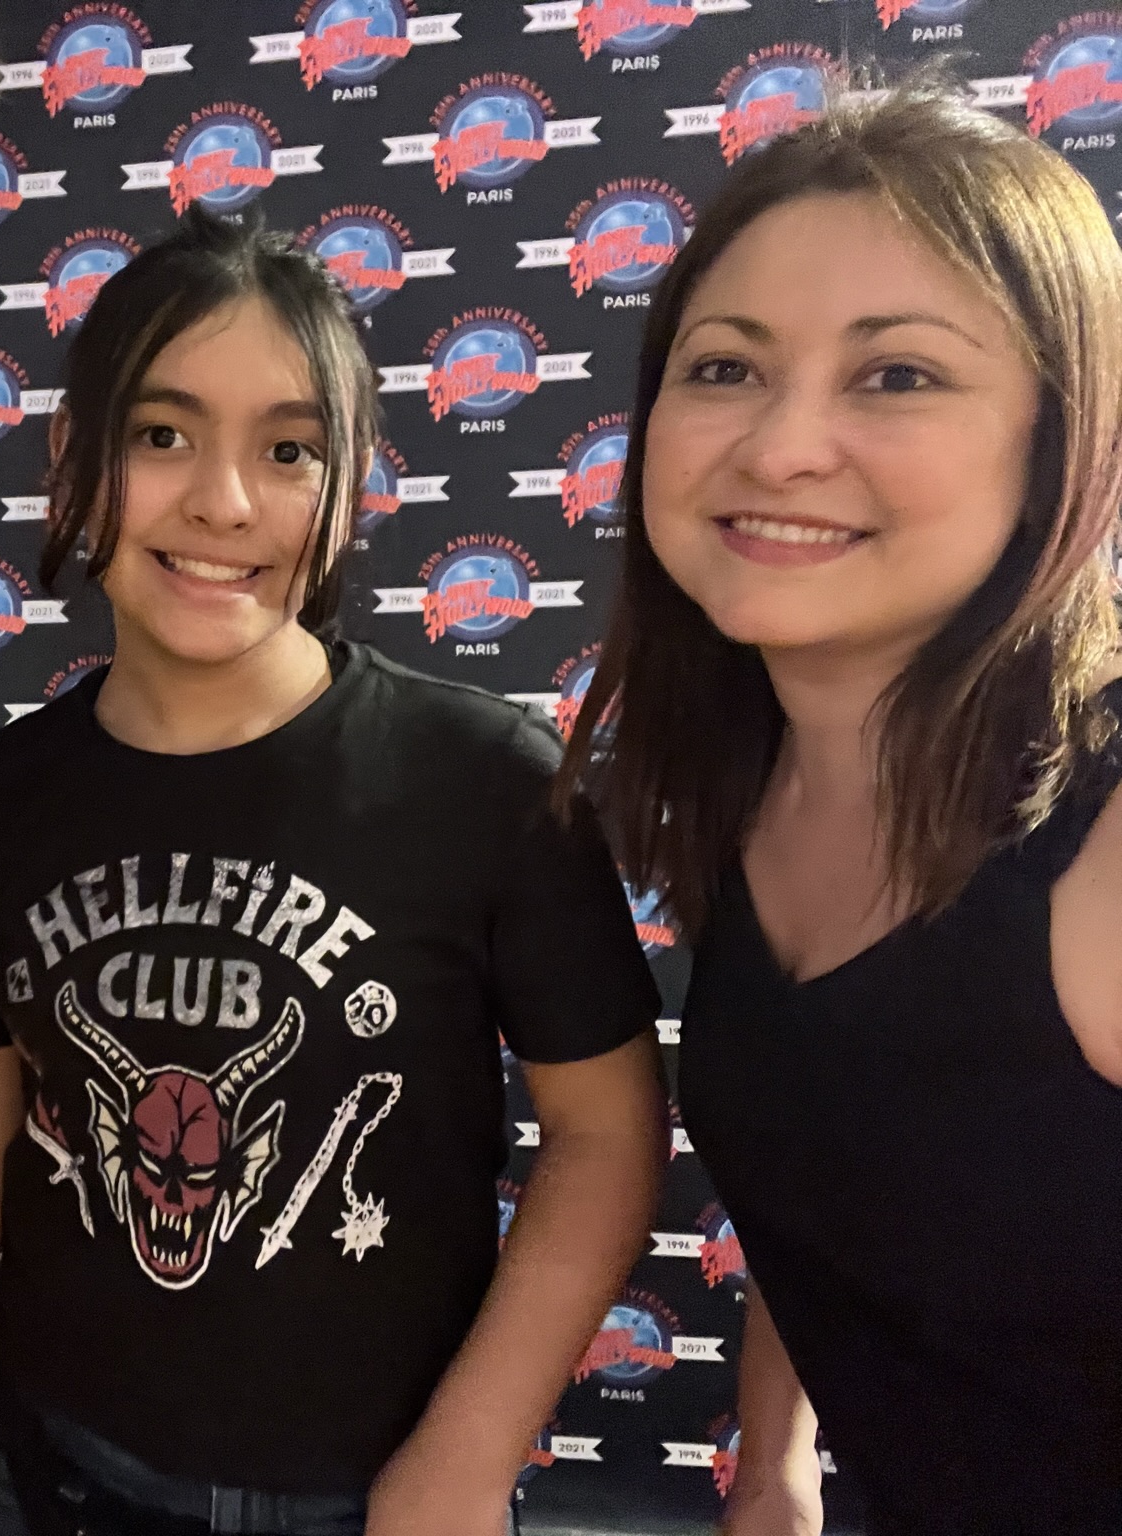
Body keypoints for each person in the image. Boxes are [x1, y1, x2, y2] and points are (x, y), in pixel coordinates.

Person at [0, 210, 668, 1536]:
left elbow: (607, 1136)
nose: (224, 501)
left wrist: (466, 1458)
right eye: (160, 434)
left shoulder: (486, 781)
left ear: (349, 490)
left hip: (379, 1494)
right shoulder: (6, 794)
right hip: (55, 1466)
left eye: (290, 450)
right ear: (73, 458)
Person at [554, 80, 1122, 1535]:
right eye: (726, 368)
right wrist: (777, 1465)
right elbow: (853, 1170)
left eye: (899, 376)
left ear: (1060, 438)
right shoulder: (754, 778)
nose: (782, 446)